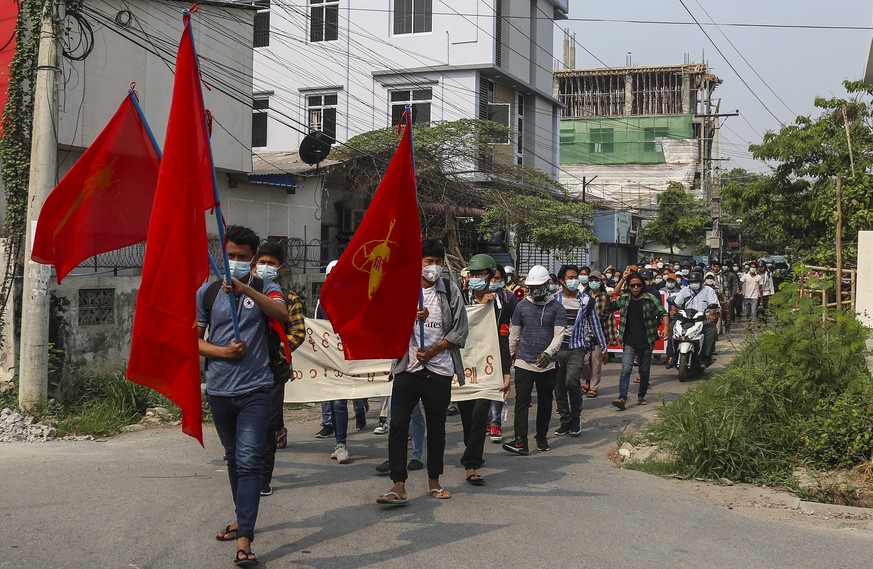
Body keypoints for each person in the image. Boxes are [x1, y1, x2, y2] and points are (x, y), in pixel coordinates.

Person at [198, 225, 289, 566]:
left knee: (249, 462)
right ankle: (242, 517)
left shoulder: (266, 287)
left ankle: (245, 539)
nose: (234, 262)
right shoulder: (206, 293)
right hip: (219, 391)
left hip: (256, 390)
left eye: (242, 258)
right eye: (230, 256)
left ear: (252, 261)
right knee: (234, 458)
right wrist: (222, 353)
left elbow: (280, 313)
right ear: (222, 254)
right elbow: (194, 339)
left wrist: (242, 288)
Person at [377, 239, 468, 505]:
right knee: (397, 425)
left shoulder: (450, 290)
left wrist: (435, 350)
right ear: (417, 263)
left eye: (438, 262)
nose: (434, 267)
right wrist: (409, 318)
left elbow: (460, 331)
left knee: (437, 428)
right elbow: (388, 324)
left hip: (439, 370)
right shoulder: (404, 290)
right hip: (408, 369)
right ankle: (398, 484)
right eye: (428, 262)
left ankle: (434, 481)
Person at [251, 241, 306, 497]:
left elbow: (298, 332)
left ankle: (263, 477)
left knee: (268, 424)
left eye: (270, 263)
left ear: (280, 268)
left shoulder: (288, 299)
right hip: (244, 371)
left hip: (272, 372)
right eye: (261, 262)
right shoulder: (242, 294)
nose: (265, 267)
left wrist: (278, 353)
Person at [459, 254, 514, 484]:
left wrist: (506, 371)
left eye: (481, 275)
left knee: (480, 414)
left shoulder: (502, 304)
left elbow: (501, 338)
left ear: (492, 277)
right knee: (467, 416)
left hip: (487, 366)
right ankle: (472, 449)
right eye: (472, 274)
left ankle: (471, 464)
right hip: (462, 366)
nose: (476, 279)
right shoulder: (459, 298)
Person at [503, 265, 566, 455]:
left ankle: (541, 436)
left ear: (548, 285)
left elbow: (559, 335)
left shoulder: (557, 307)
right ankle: (520, 441)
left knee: (545, 401)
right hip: (524, 361)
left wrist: (548, 353)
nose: (535, 291)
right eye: (532, 288)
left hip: (548, 364)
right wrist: (508, 357)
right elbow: (514, 334)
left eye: (539, 287)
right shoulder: (522, 306)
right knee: (521, 401)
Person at [603, 267, 669, 410]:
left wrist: (666, 327)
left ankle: (641, 395)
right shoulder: (625, 298)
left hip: (646, 341)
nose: (636, 288)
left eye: (638, 285)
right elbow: (610, 307)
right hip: (629, 343)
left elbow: (664, 313)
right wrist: (621, 280)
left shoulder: (650, 299)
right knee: (626, 369)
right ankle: (622, 398)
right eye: (632, 285)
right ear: (629, 286)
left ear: (642, 286)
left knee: (644, 371)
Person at [554, 264, 606, 436]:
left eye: (575, 277)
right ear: (561, 281)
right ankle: (565, 420)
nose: (574, 280)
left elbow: (594, 324)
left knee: (572, 383)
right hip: (556, 350)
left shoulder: (585, 301)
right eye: (570, 277)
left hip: (576, 348)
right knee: (559, 388)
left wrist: (603, 346)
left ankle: (576, 418)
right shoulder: (554, 300)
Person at [486, 264, 517, 442]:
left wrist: (512, 338)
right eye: (491, 278)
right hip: (480, 348)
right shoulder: (476, 296)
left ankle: (495, 423)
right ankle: (485, 420)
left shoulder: (508, 297)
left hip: (501, 345)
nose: (493, 281)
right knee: (483, 385)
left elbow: (517, 319)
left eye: (497, 278)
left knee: (499, 384)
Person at [670, 272, 720, 367]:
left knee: (711, 329)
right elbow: (676, 304)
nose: (694, 284)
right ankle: (672, 356)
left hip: (702, 319)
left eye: (696, 282)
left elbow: (713, 305)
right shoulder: (684, 291)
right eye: (692, 282)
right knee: (672, 326)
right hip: (686, 319)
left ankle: (705, 357)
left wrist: (711, 314)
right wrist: (673, 310)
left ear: (701, 282)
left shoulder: (708, 290)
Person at [586, 270, 614, 397]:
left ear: (600, 282)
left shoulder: (604, 297)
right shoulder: (584, 295)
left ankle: (593, 387)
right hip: (584, 334)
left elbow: (608, 317)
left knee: (596, 362)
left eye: (596, 280)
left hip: (599, 334)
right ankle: (587, 380)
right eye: (591, 280)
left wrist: (609, 339)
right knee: (585, 360)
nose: (593, 283)